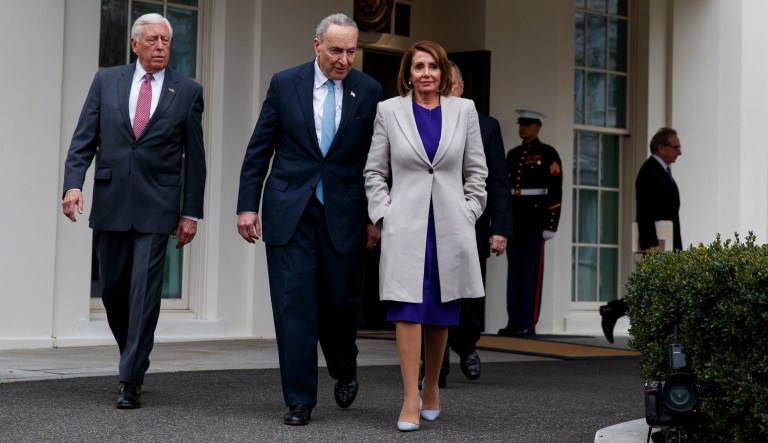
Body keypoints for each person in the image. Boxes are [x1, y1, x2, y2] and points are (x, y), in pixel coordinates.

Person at [235, 13, 382, 426]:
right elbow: (258, 149)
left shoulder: (368, 91)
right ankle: (299, 399)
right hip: (290, 212)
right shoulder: (285, 84)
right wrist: (247, 206)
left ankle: (344, 364)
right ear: (316, 46)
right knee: (293, 307)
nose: (344, 59)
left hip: (345, 213)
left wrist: (375, 216)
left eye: (351, 51)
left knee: (339, 303)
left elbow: (376, 160)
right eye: (336, 50)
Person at [61, 13, 206, 409]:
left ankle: (130, 378)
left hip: (158, 205)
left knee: (144, 293)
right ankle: (134, 353)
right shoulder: (106, 81)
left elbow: (196, 157)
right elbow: (83, 140)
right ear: (135, 44)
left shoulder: (188, 90)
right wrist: (73, 185)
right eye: (153, 40)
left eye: (166, 40)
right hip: (110, 202)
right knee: (111, 292)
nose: (160, 46)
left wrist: (191, 212)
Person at [364, 40, 488, 431]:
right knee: (406, 309)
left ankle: (432, 386)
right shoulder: (389, 110)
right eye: (418, 67)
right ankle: (410, 397)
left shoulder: (464, 110)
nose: (426, 74)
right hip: (406, 227)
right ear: (408, 73)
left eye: (433, 67)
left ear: (444, 72)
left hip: (449, 226)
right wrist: (384, 213)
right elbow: (374, 172)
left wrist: (469, 212)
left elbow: (477, 172)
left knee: (439, 311)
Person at [436, 61, 511, 383]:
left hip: (472, 222)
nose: (445, 90)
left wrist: (500, 229)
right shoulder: (422, 120)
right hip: (432, 221)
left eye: (450, 84)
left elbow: (498, 181)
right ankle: (435, 358)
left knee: (468, 294)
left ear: (462, 88)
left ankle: (466, 346)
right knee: (434, 291)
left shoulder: (486, 126)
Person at [600, 127, 682, 343]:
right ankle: (616, 310)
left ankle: (615, 310)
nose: (679, 152)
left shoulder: (662, 171)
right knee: (657, 291)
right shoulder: (650, 171)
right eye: (676, 147)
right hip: (657, 244)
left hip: (667, 242)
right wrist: (650, 245)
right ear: (661, 147)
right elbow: (644, 211)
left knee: (657, 290)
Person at [499, 110, 562, 338]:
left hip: (535, 222)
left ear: (538, 127)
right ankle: (514, 320)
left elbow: (555, 190)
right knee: (514, 272)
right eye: (521, 124)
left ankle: (528, 321)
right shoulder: (513, 154)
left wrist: (550, 224)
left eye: (527, 124)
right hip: (515, 220)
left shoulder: (548, 154)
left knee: (531, 274)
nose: (522, 128)